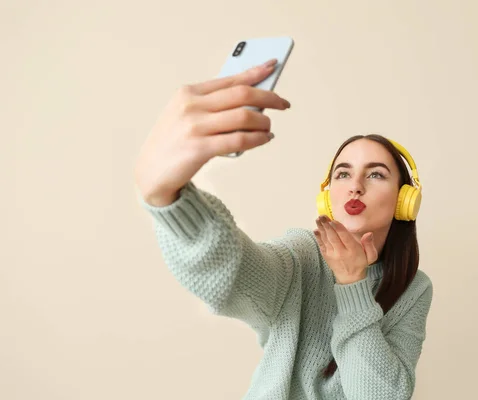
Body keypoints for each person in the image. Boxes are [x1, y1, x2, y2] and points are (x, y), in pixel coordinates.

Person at [134, 58, 433, 400]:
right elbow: (233, 272)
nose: (355, 186)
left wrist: (353, 285)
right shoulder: (302, 254)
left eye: (376, 174)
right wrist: (170, 201)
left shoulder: (415, 289)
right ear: (327, 195)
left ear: (404, 199)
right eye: (343, 173)